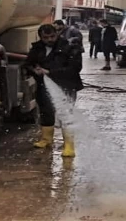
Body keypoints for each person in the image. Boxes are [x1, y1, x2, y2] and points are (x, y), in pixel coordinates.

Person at [24, 24, 83, 158]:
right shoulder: (37, 47)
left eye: (52, 36)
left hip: (66, 85)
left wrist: (50, 72)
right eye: (46, 37)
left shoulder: (69, 47)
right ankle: (46, 139)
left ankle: (68, 145)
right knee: (46, 111)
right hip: (44, 85)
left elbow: (75, 68)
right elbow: (28, 63)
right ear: (41, 37)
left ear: (57, 34)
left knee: (66, 114)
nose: (50, 39)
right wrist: (34, 70)